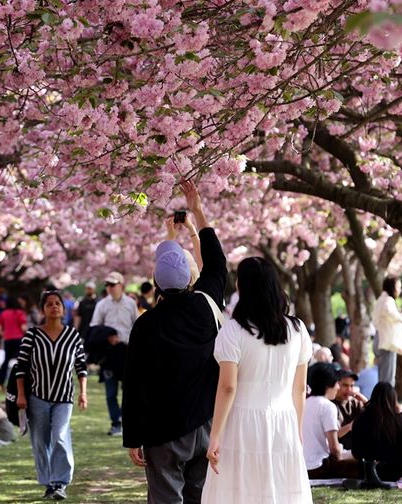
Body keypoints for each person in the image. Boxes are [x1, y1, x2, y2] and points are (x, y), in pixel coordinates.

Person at [122, 180, 227, 504]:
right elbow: (216, 262)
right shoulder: (207, 306)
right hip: (206, 424)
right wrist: (197, 210)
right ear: (190, 278)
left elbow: (135, 384)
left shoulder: (147, 324)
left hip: (163, 430)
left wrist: (132, 437)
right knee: (200, 497)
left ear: (155, 285)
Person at [202, 256, 312, 503]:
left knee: (240, 491)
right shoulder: (298, 330)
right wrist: (298, 428)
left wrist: (215, 435)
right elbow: (299, 389)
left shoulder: (233, 331)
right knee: (279, 490)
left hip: (241, 422)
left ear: (243, 287)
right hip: (284, 420)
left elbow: (228, 387)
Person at [15, 290, 88, 501]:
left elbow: (81, 367)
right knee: (40, 441)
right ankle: (47, 482)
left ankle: (60, 482)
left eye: (58, 303)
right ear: (43, 310)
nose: (54, 306)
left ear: (63, 309)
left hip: (64, 397)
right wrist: (21, 395)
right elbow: (21, 367)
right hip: (37, 396)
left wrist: (83, 393)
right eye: (49, 304)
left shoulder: (73, 336)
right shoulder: (32, 335)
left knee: (60, 437)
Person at [90, 270, 138, 436]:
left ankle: (127, 420)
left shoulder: (131, 304)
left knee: (129, 390)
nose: (110, 287)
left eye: (113, 284)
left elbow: (137, 326)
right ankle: (115, 422)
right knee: (111, 391)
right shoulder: (102, 305)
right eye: (108, 285)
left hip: (126, 352)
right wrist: (107, 337)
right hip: (109, 354)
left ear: (121, 285)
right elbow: (94, 327)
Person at [350, 382, 402, 483]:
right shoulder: (398, 420)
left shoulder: (361, 419)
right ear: (393, 399)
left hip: (368, 472)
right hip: (395, 471)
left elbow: (355, 452)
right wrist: (401, 416)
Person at [304, 363, 358, 478]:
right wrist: (340, 462)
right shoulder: (328, 406)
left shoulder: (304, 404)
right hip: (319, 467)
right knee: (362, 464)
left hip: (302, 466)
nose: (338, 387)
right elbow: (334, 448)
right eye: (337, 383)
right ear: (328, 384)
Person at [371, 277, 402, 387]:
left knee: (384, 376)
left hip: (382, 340)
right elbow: (389, 312)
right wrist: (401, 317)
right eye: (398, 287)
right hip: (387, 343)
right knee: (388, 378)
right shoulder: (387, 300)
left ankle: (383, 400)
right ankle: (386, 401)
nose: (400, 290)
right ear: (392, 287)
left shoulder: (382, 299)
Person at [0, 296, 29, 388]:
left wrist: (6, 334)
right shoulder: (20, 313)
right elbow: (24, 328)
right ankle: (18, 383)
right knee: (20, 361)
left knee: (6, 360)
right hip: (19, 339)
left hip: (7, 340)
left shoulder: (3, 314)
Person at [333, 370, 366, 449]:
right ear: (336, 384)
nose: (349, 390)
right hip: (339, 452)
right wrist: (351, 426)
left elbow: (377, 415)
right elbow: (335, 434)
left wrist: (365, 401)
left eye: (351, 386)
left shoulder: (355, 402)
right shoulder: (330, 405)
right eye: (345, 385)